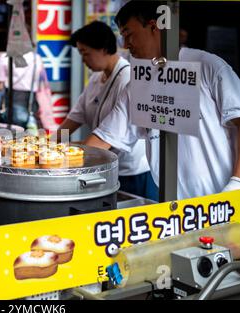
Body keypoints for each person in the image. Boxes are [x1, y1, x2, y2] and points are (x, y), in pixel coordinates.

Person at [84, 1, 240, 200]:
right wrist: (60, 162)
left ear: (153, 27)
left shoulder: (208, 66)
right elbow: (104, 138)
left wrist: (237, 182)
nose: (125, 45)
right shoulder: (138, 85)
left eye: (128, 34)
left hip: (226, 200)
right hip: (176, 207)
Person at [55, 21, 158, 201]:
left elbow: (105, 140)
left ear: (103, 49)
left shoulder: (127, 80)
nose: (83, 60)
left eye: (85, 53)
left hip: (133, 173)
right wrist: (52, 143)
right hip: (106, 167)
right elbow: (74, 119)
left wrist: (60, 151)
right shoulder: (96, 79)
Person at [0, 49, 45, 128]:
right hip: (32, 102)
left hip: (12, 102)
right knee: (30, 134)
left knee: (13, 135)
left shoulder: (4, 58)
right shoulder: (36, 58)